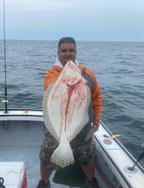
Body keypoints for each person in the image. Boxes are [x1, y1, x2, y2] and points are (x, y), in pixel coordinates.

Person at [37, 37, 102, 188]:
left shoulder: (87, 72)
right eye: (64, 51)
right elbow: (50, 87)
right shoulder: (52, 75)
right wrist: (71, 81)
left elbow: (97, 96)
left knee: (88, 158)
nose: (68, 54)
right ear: (58, 53)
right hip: (56, 130)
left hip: (82, 127)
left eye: (71, 50)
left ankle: (91, 181)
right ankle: (44, 182)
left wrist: (97, 117)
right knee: (47, 159)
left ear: (76, 52)